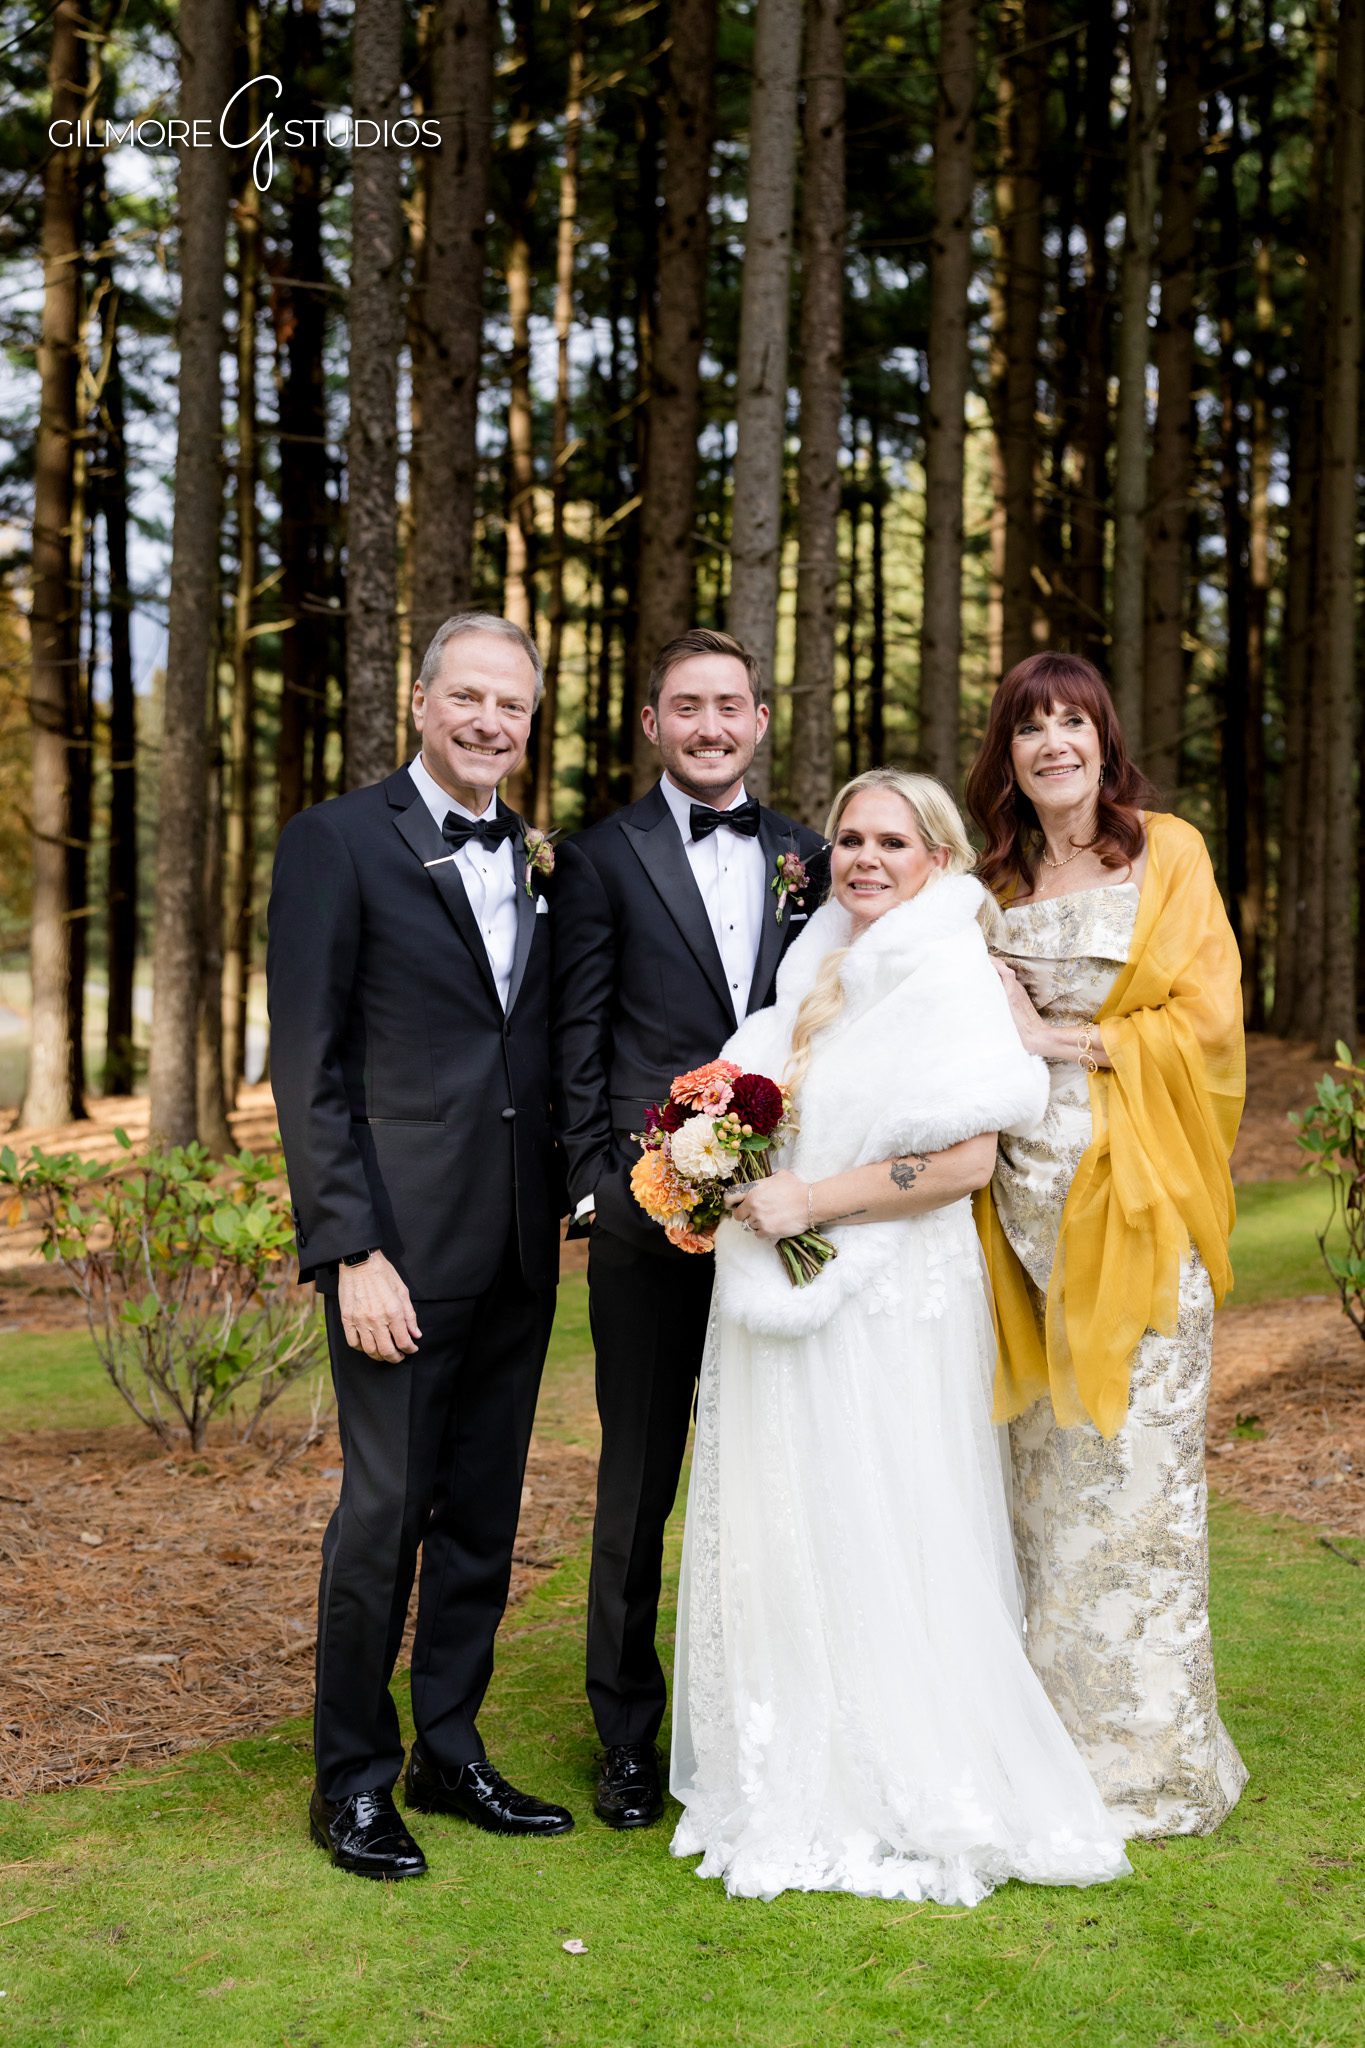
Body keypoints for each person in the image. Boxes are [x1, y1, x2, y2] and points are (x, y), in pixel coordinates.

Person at [668, 769, 1131, 1905]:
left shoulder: (949, 968)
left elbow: (968, 1160)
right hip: (791, 1282)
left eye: (892, 840)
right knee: (804, 1516)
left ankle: (902, 1768)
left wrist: (813, 1203)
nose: (865, 858)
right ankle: (796, 1746)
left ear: (938, 856)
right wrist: (718, 1161)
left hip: (894, 1294)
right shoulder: (815, 967)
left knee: (891, 1511)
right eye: (849, 839)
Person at [267, 612, 573, 1881]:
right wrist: (350, 1248)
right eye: (469, 698)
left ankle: (449, 1746)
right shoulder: (337, 841)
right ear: (421, 700)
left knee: (484, 1518)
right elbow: (309, 1062)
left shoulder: (545, 854)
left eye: (512, 705)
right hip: (396, 1251)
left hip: (517, 1245)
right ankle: (353, 1778)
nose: (490, 721)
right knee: (382, 1515)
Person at [966, 649, 1247, 1839]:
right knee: (1043, 1483)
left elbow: (1210, 1016)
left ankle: (1154, 1759)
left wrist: (1069, 1038)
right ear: (1010, 754)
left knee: (1137, 1473)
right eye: (1031, 726)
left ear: (1103, 736)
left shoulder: (1166, 850)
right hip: (1014, 1204)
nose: (1053, 742)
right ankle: (1049, 1747)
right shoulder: (987, 880)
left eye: (1072, 720)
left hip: (1138, 1190)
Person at [551, 629, 827, 1830]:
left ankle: (770, 1720)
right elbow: (577, 1028)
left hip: (783, 1210)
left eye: (730, 706)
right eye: (687, 707)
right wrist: (599, 1180)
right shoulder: (602, 854)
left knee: (778, 1471)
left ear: (759, 720)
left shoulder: (812, 856)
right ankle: (625, 1734)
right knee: (640, 1477)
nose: (710, 726)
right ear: (654, 722)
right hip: (648, 1211)